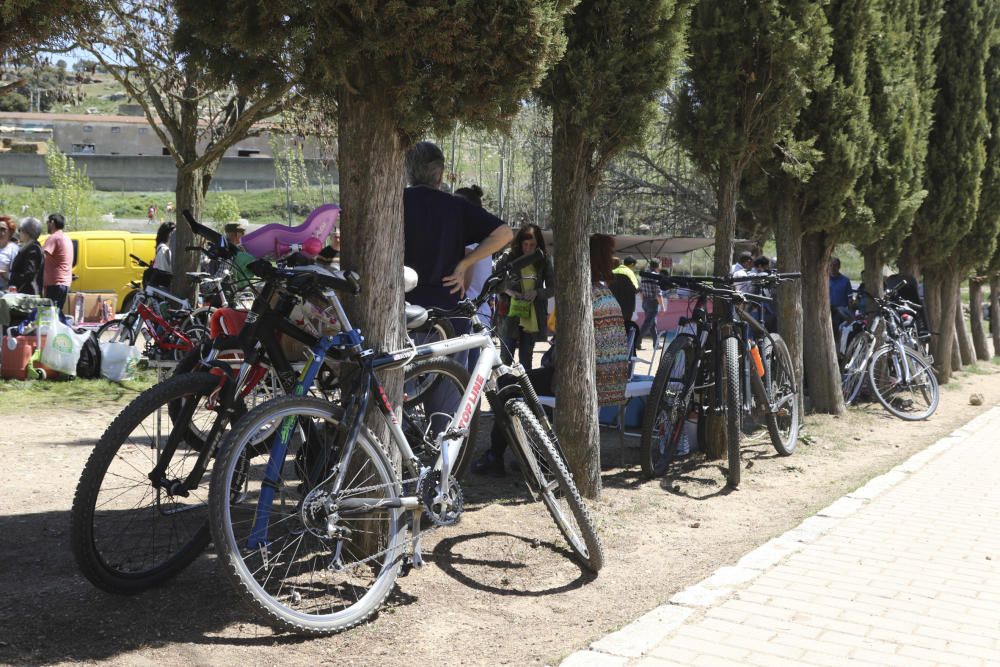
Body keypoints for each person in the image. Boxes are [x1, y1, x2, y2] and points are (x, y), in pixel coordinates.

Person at [472, 233, 629, 476]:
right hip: (613, 381)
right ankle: (532, 453)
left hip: (583, 380)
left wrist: (549, 359)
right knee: (529, 385)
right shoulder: (606, 294)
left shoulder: (580, 295)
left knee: (508, 384)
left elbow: (564, 355)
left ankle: (502, 455)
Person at [403, 141, 512, 319]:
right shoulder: (455, 207)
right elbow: (505, 233)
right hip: (448, 311)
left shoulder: (394, 203)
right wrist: (464, 264)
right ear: (440, 174)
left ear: (408, 171)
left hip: (402, 309)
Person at [496, 224, 553, 371]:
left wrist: (537, 293)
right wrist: (509, 291)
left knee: (526, 361)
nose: (528, 248)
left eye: (532, 245)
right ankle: (502, 391)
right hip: (509, 316)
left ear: (538, 245)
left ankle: (525, 393)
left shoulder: (544, 260)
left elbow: (554, 289)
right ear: (519, 243)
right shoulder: (508, 257)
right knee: (505, 359)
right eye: (525, 244)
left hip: (532, 318)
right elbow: (495, 283)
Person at [454, 185, 493, 371]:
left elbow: (465, 284)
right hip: (479, 316)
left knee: (466, 380)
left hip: (470, 319)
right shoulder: (483, 240)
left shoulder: (470, 243)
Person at [42, 213, 73, 310]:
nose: (47, 225)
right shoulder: (66, 238)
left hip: (55, 283)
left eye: (47, 222)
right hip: (64, 282)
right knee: (56, 313)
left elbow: (41, 256)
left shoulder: (54, 238)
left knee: (49, 315)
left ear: (52, 222)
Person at [8, 217, 44, 295]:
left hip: (27, 294)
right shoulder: (29, 247)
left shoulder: (32, 249)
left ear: (28, 232)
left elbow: (29, 274)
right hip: (24, 292)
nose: (19, 232)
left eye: (20, 230)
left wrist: (12, 276)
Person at [637, 259, 664, 348]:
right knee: (648, 323)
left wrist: (644, 300)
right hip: (652, 302)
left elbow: (640, 290)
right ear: (658, 266)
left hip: (645, 301)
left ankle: (656, 343)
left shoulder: (644, 274)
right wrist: (662, 306)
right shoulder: (656, 276)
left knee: (652, 323)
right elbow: (658, 294)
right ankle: (636, 341)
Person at [609, 256, 639, 325]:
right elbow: (636, 289)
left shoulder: (613, 271)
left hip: (612, 302)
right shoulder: (629, 272)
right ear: (632, 264)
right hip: (627, 304)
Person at [829, 256, 853, 333]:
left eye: (835, 265)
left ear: (839, 266)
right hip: (828, 310)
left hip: (840, 311)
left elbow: (850, 299)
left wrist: (850, 314)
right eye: (831, 265)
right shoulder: (825, 279)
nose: (833, 267)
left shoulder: (845, 281)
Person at [0, 216, 19, 291]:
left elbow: (15, 275)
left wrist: (2, 273)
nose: (0, 232)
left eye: (3, 229)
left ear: (10, 231)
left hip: (5, 291)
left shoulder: (13, 249)